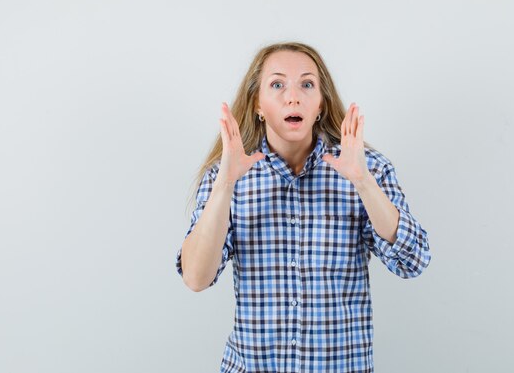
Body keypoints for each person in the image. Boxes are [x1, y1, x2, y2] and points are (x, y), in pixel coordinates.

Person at [174, 41, 431, 373]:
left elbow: (413, 262)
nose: (292, 96)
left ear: (320, 103)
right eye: (277, 84)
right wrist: (224, 185)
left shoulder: (368, 169)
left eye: (307, 84)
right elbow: (196, 278)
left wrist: (364, 183)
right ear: (258, 104)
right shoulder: (226, 176)